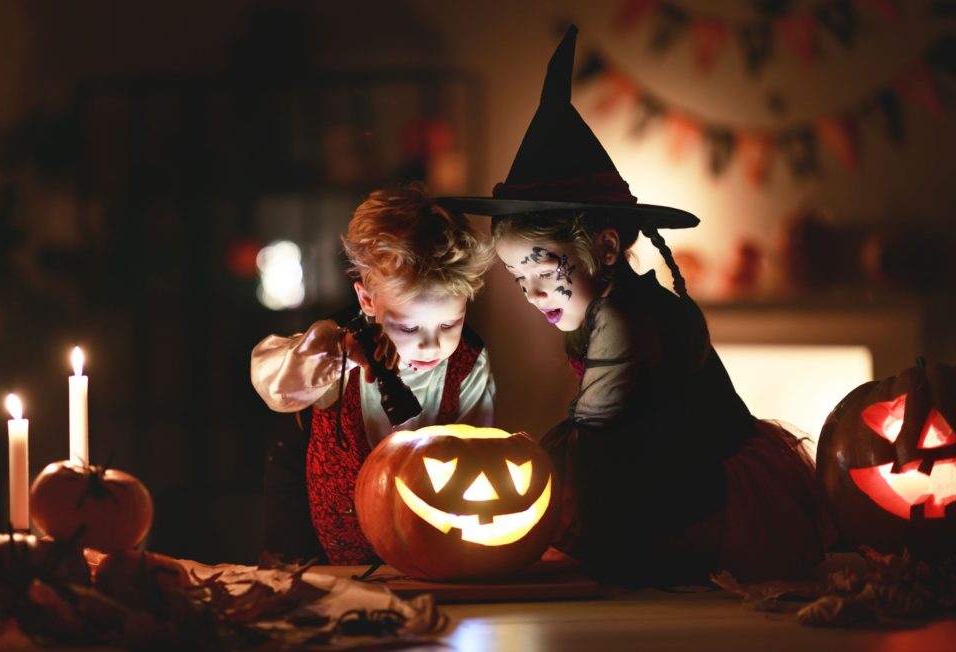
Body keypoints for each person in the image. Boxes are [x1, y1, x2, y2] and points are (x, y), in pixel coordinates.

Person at [440, 26, 833, 583]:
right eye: (515, 275)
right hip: (669, 468)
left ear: (603, 247)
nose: (531, 292)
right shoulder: (607, 306)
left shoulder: (625, 318)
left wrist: (508, 469)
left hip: (712, 498)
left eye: (542, 266)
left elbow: (592, 438)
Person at [251, 183, 496, 565]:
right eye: (410, 329)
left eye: (450, 324)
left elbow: (480, 453)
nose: (432, 345)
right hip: (310, 525)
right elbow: (274, 384)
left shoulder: (469, 362)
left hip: (421, 540)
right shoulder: (334, 347)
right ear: (367, 299)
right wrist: (333, 354)